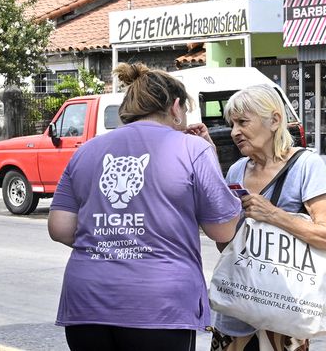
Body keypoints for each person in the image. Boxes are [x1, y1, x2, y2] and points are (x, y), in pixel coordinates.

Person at [47, 62, 241, 351]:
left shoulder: (87, 150)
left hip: (87, 302)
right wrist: (210, 154)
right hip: (159, 307)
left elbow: (60, 228)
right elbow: (223, 229)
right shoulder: (193, 149)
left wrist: (110, 236)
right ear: (176, 107)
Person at [211, 85, 326, 351]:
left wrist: (273, 214)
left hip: (284, 314)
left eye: (243, 122)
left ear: (274, 120)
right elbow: (223, 246)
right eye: (232, 124)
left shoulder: (306, 166)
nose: (234, 132)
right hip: (236, 309)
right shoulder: (238, 170)